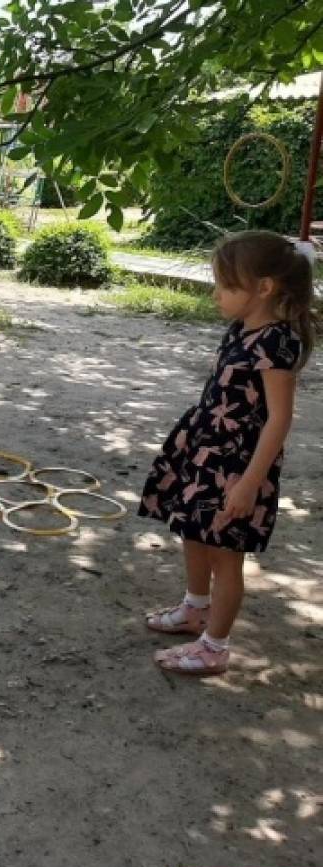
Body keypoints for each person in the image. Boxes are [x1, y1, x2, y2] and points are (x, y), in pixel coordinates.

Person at [139, 230, 316, 675]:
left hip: (237, 465)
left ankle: (215, 647)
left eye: (226, 285)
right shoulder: (240, 328)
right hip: (206, 449)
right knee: (193, 532)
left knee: (225, 553)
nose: (217, 294)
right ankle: (195, 608)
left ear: (264, 288)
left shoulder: (276, 343)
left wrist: (250, 482)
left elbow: (279, 419)